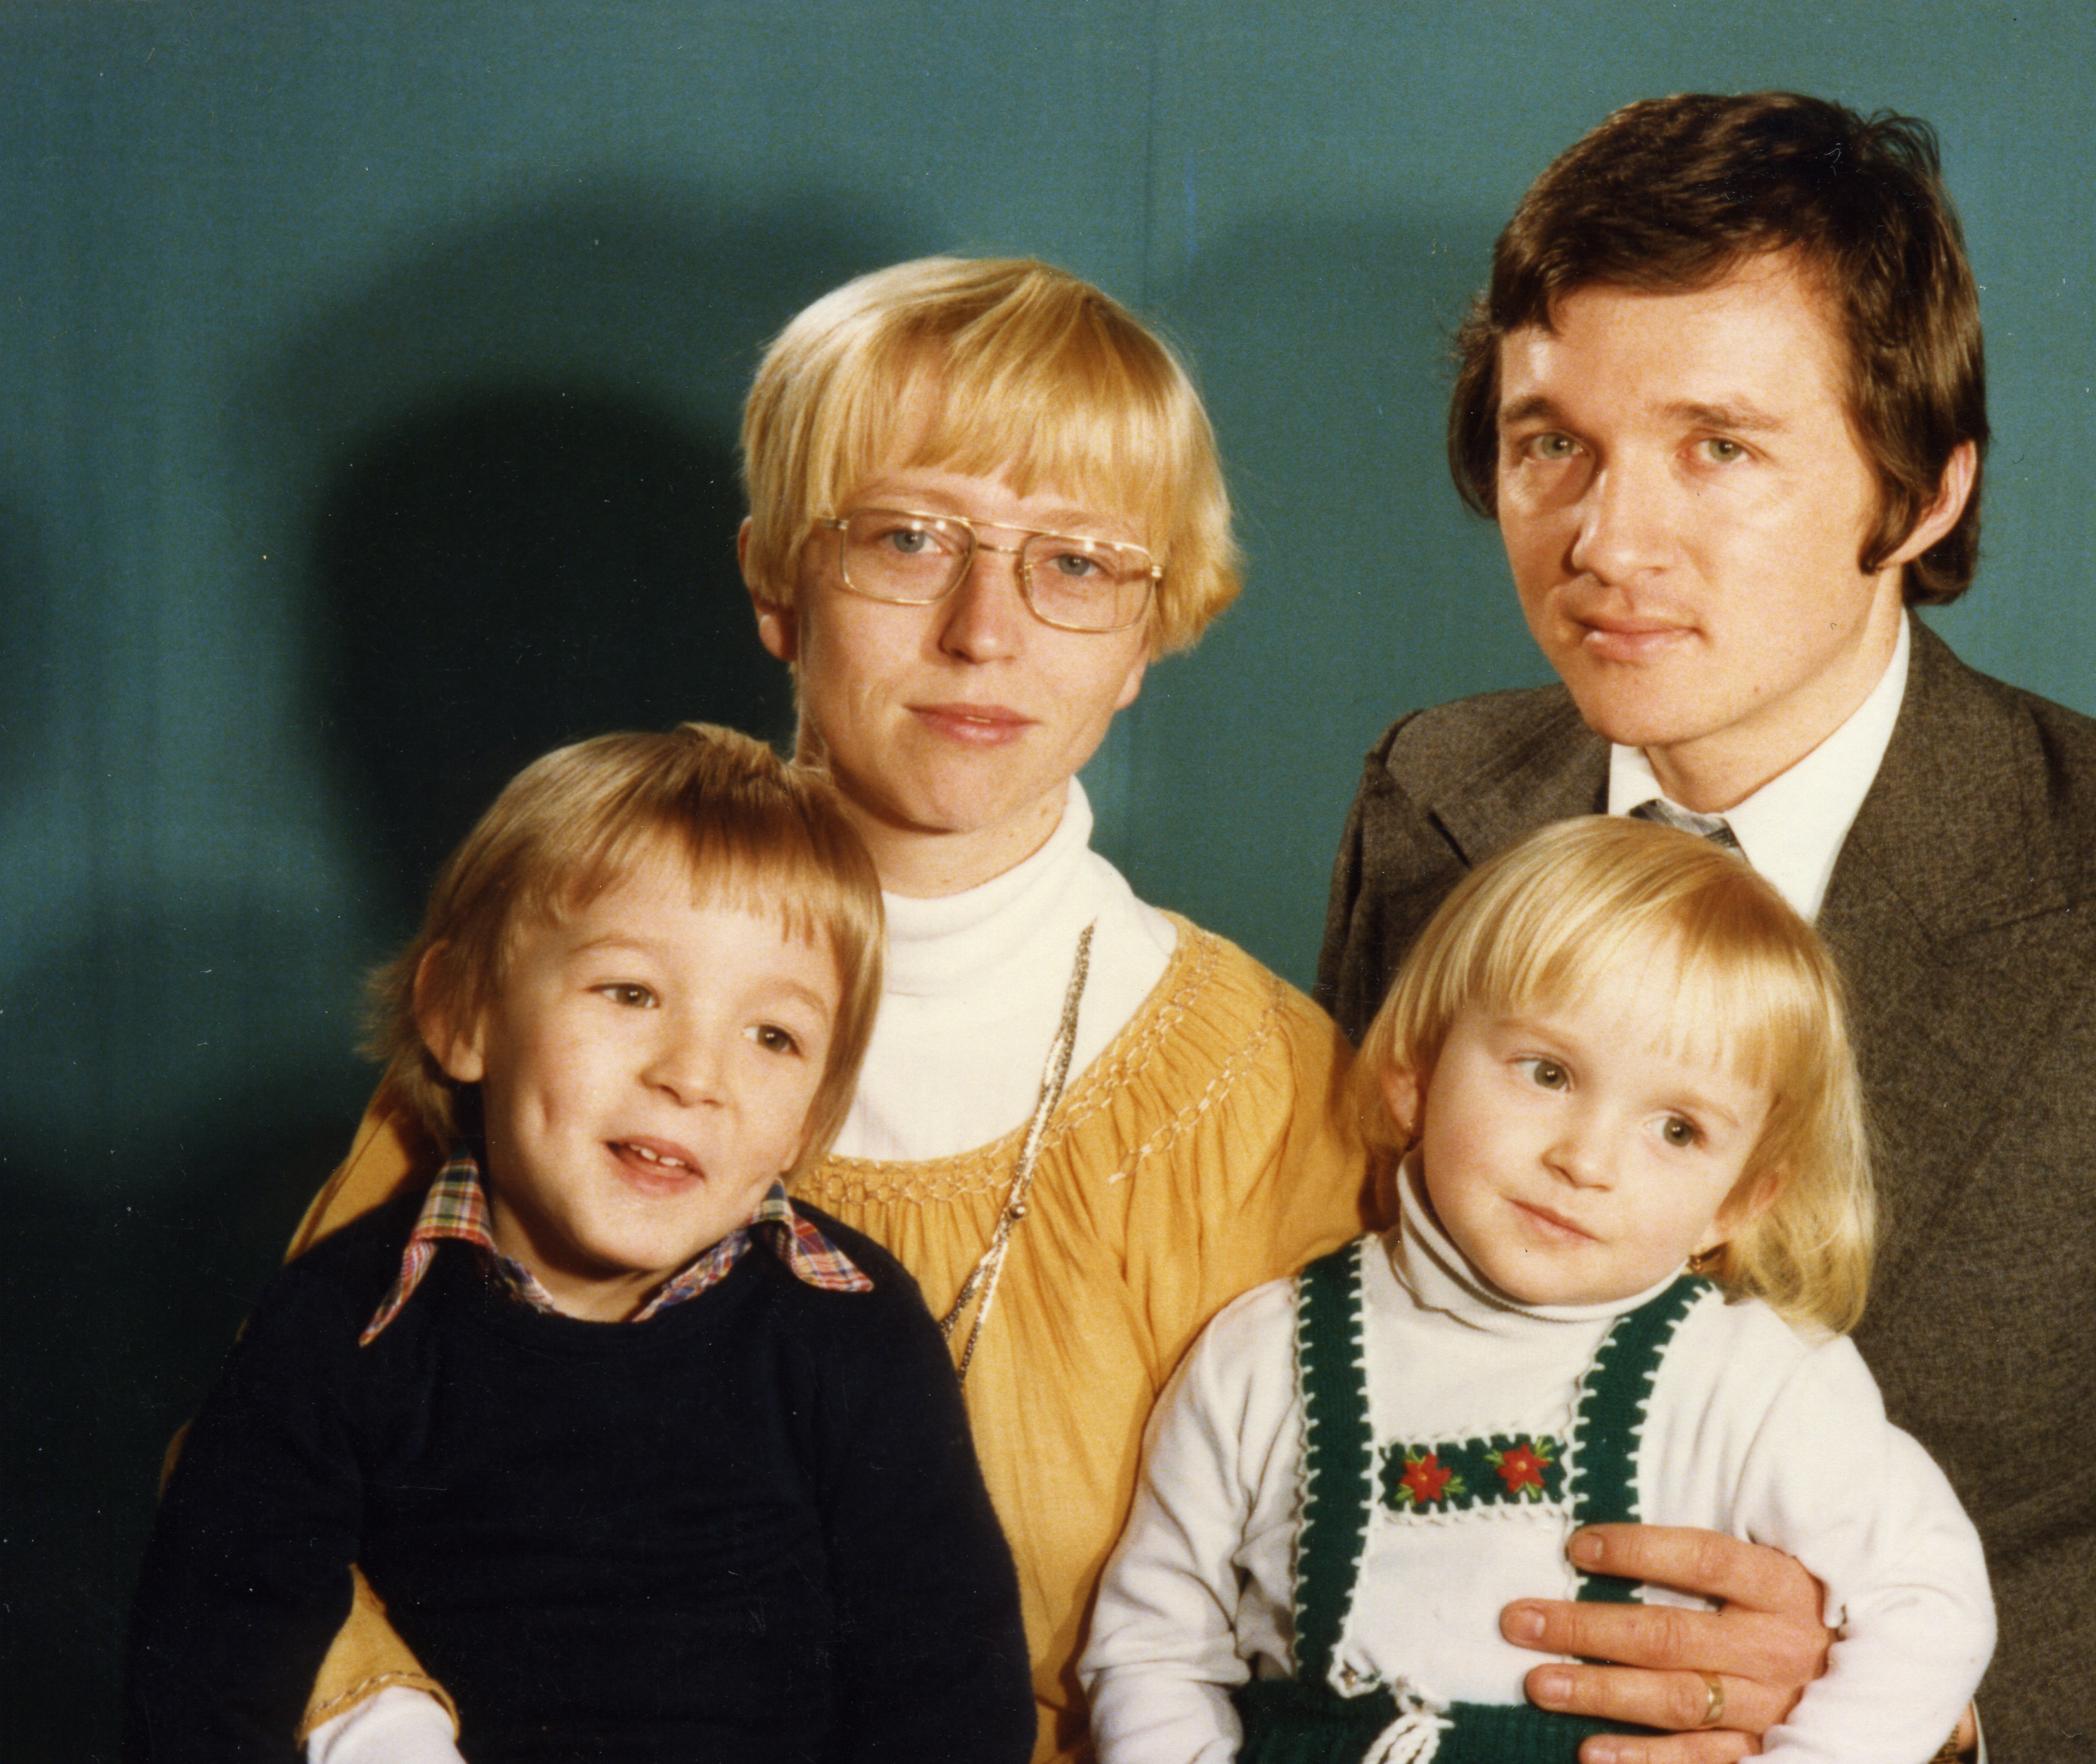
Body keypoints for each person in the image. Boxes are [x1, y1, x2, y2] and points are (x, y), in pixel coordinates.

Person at [1317, 92, 2096, 1762]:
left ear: (1929, 487)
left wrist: (1922, 1699)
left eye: (1717, 447)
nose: (1605, 538)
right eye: (1550, 443)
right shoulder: (1437, 794)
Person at [279, 259, 1377, 1763]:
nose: (985, 628)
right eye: (911, 539)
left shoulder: (1264, 1096)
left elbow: (1370, 1592)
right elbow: (266, 1481)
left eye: (1078, 565)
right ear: (775, 585)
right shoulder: (558, 1001)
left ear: (1149, 638)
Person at [127, 724, 1033, 1763]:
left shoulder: (850, 1328)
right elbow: (205, 1687)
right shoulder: (339, 1327)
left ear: (812, 1119)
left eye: (772, 1036)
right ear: (462, 1015)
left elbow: (953, 1692)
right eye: (631, 993)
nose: (695, 1074)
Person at [1086, 816, 1994, 1764]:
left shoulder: (1753, 1380)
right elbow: (1153, 1647)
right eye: (1548, 1073)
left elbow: (1928, 1603)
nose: (1586, 1159)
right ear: (1415, 1074)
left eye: (1677, 1130)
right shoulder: (1262, 1354)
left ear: (1740, 1201)